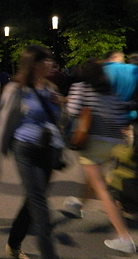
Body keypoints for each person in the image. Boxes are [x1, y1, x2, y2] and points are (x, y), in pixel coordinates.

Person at [0, 45, 66, 259]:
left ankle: (13, 242)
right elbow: (4, 125)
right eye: (44, 62)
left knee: (33, 199)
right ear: (33, 65)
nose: (49, 65)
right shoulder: (16, 90)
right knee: (40, 205)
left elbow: (59, 121)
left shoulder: (50, 89)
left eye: (49, 61)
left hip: (48, 150)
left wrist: (61, 107)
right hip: (25, 149)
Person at [67, 58, 136, 253]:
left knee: (101, 189)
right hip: (115, 143)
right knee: (93, 177)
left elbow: (73, 110)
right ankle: (78, 205)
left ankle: (124, 238)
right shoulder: (111, 91)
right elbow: (122, 116)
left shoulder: (82, 87)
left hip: (94, 142)